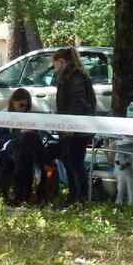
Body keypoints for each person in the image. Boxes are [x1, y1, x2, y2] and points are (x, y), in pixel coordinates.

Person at [53, 47, 96, 204]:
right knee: (70, 161)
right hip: (74, 127)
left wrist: (70, 125)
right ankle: (74, 196)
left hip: (76, 128)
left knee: (75, 162)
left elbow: (78, 102)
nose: (54, 68)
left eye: (55, 64)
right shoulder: (70, 76)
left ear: (62, 62)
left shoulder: (75, 77)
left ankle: (80, 197)